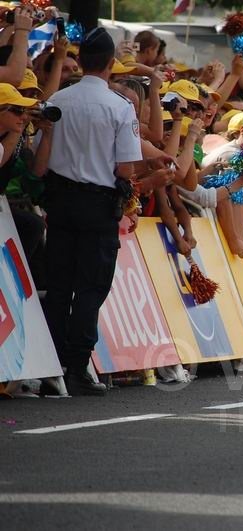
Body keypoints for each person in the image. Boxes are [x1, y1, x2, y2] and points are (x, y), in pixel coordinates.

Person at [43, 28, 143, 396]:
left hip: (60, 200)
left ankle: (50, 364)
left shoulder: (57, 99)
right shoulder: (119, 106)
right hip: (98, 204)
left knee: (59, 284)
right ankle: (77, 366)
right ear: (111, 64)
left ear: (81, 61)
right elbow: (125, 168)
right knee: (91, 286)